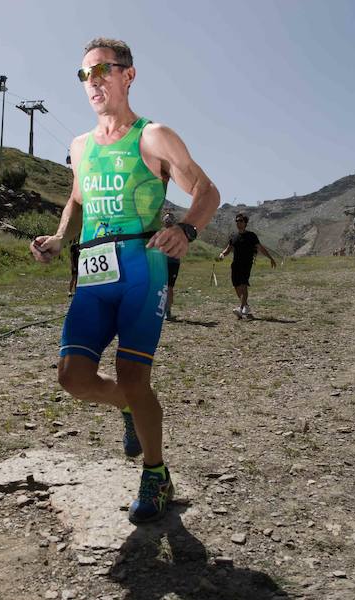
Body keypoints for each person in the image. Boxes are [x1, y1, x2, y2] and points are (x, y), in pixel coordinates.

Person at [29, 38, 220, 524]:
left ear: (128, 75)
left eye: (103, 71)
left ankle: (156, 474)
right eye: (84, 74)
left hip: (142, 268)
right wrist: (58, 236)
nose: (92, 81)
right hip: (93, 272)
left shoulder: (153, 136)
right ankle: (130, 408)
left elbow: (206, 190)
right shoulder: (79, 146)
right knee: (72, 377)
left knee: (136, 377)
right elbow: (77, 198)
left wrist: (186, 228)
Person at [217, 213, 276, 319]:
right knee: (236, 285)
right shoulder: (233, 236)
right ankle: (246, 306)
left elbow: (260, 248)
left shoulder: (251, 236)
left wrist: (270, 258)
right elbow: (228, 249)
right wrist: (222, 254)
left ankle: (241, 308)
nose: (238, 223)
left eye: (240, 221)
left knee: (244, 285)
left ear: (245, 223)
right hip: (235, 264)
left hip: (246, 264)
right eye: (237, 221)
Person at [162, 212, 180, 321]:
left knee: (169, 287)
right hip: (162, 263)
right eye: (166, 220)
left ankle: (168, 311)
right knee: (163, 287)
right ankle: (163, 309)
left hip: (173, 263)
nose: (167, 222)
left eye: (169, 220)